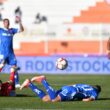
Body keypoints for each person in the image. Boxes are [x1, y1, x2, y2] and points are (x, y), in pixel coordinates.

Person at [20, 75, 101, 102]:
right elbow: (92, 98)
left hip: (69, 88)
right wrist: (87, 100)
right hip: (72, 91)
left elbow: (74, 85)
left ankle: (29, 84)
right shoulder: (95, 91)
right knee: (54, 99)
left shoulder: (86, 85)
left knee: (45, 99)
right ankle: (43, 80)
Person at [0, 18, 24, 88]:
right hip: (3, 53)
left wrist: (19, 22)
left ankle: (16, 83)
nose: (6, 23)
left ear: (9, 23)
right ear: (3, 23)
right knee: (1, 65)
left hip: (11, 53)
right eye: (5, 22)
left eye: (8, 22)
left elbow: (22, 30)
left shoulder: (12, 30)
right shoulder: (1, 30)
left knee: (14, 67)